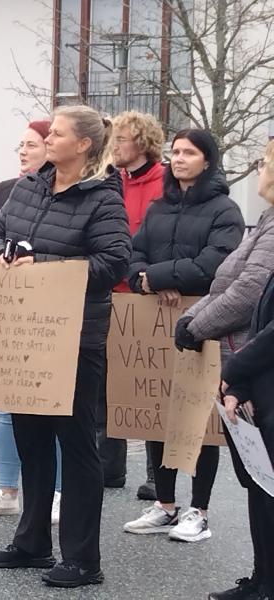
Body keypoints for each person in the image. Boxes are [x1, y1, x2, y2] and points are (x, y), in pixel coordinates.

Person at [0, 105, 131, 588]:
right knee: (30, 437)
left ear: (83, 145)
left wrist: (40, 263)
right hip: (23, 330)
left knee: (76, 443)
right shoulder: (28, 187)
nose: (47, 139)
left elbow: (113, 263)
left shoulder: (103, 197)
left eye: (58, 133)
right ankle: (32, 543)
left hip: (75, 337)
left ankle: (83, 558)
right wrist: (1, 255)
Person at [123, 128, 244, 542]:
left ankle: (200, 510)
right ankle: (165, 504)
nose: (179, 159)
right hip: (156, 321)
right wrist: (148, 282)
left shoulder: (224, 210)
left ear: (207, 160)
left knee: (199, 418)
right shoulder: (158, 208)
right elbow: (132, 255)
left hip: (204, 323)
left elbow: (215, 264)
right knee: (158, 411)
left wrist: (156, 276)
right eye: (174, 152)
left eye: (189, 152)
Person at [180, 146, 274, 600]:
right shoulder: (268, 221)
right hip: (252, 369)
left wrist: (235, 366)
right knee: (259, 483)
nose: (260, 169)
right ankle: (261, 578)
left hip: (261, 369)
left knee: (268, 483)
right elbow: (230, 284)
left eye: (266, 162)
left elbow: (254, 296)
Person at [0, 120, 63, 523]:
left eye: (32, 144)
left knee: (52, 404)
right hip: (7, 307)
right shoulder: (6, 191)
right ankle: (7, 488)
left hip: (49, 309)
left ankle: (57, 491)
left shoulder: (68, 193)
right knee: (5, 404)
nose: (23, 152)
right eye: (19, 145)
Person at [100, 111, 166, 495]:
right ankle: (110, 466)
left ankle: (157, 476)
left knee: (148, 386)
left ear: (141, 142)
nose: (115, 147)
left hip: (146, 292)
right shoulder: (111, 183)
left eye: (121, 139)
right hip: (112, 291)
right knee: (106, 385)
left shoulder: (164, 183)